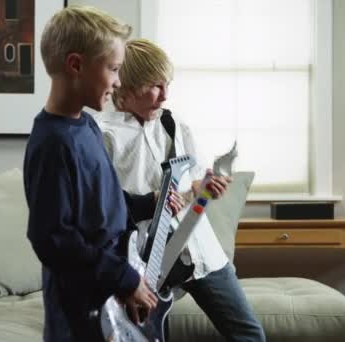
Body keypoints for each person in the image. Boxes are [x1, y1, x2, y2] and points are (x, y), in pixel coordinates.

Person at [23, 8, 184, 341]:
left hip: (109, 296)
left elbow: (108, 204)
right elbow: (54, 240)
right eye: (113, 69)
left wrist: (152, 204)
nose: (119, 81)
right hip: (81, 314)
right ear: (76, 65)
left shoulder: (86, 127)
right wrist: (124, 278)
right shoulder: (53, 143)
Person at [97, 39, 266, 342]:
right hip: (144, 264)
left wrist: (206, 189)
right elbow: (100, 208)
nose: (165, 95)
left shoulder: (174, 126)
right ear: (127, 85)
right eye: (155, 86)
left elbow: (194, 188)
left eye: (167, 84)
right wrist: (151, 204)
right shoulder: (103, 135)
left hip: (199, 251)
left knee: (250, 336)